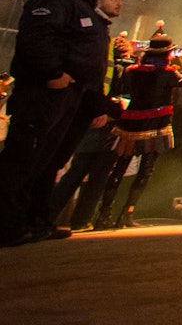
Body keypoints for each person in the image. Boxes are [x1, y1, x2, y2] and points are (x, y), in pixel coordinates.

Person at [0, 0, 111, 248]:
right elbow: (36, 37)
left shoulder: (84, 5)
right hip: (43, 91)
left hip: (70, 95)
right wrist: (52, 73)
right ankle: (6, 225)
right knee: (23, 158)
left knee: (48, 161)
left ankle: (35, 220)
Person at [93, 26, 182, 229]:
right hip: (155, 125)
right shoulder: (167, 73)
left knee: (118, 169)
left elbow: (124, 89)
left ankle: (104, 215)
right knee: (145, 170)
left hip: (130, 123)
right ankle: (125, 214)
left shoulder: (133, 71)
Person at [51, 30, 134, 232]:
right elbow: (102, 90)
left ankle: (58, 217)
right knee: (89, 172)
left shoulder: (108, 64)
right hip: (101, 120)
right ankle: (62, 218)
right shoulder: (106, 66)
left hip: (100, 119)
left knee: (86, 172)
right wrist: (106, 110)